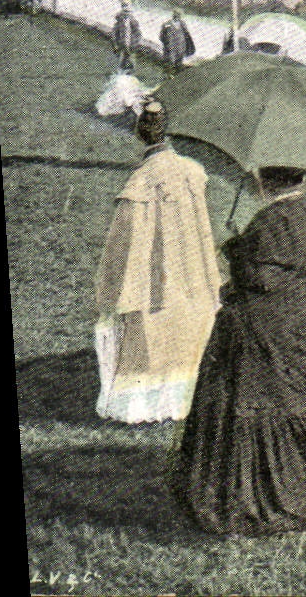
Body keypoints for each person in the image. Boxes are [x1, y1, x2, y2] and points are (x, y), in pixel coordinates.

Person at [172, 164, 306, 535]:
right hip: (297, 316)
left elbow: (260, 277)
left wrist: (234, 247)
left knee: (253, 399)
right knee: (287, 401)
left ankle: (254, 494)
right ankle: (303, 478)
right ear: (303, 178)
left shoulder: (275, 219)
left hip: (266, 324)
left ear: (264, 180)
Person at [94, 100, 222, 423]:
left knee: (151, 323)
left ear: (140, 133)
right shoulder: (193, 172)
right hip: (191, 266)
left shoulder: (141, 181)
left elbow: (123, 245)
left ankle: (147, 403)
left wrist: (111, 290)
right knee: (184, 321)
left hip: (156, 271)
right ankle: (183, 396)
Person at [112, 5, 141, 71]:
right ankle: (121, 73)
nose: (126, 15)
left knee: (131, 62)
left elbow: (138, 34)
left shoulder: (134, 23)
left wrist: (134, 44)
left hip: (131, 46)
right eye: (124, 13)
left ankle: (130, 73)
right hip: (121, 46)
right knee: (121, 62)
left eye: (127, 13)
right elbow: (114, 35)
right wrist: (115, 45)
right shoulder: (119, 23)